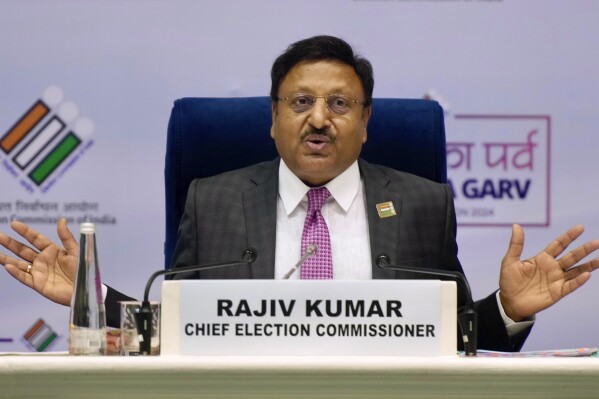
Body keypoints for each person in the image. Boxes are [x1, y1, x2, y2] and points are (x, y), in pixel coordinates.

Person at [1, 36, 598, 351]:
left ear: (365, 122)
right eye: (300, 102)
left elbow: (458, 341)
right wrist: (91, 294)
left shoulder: (422, 203)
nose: (319, 119)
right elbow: (171, 333)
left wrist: (507, 310)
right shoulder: (211, 200)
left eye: (339, 104)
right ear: (273, 119)